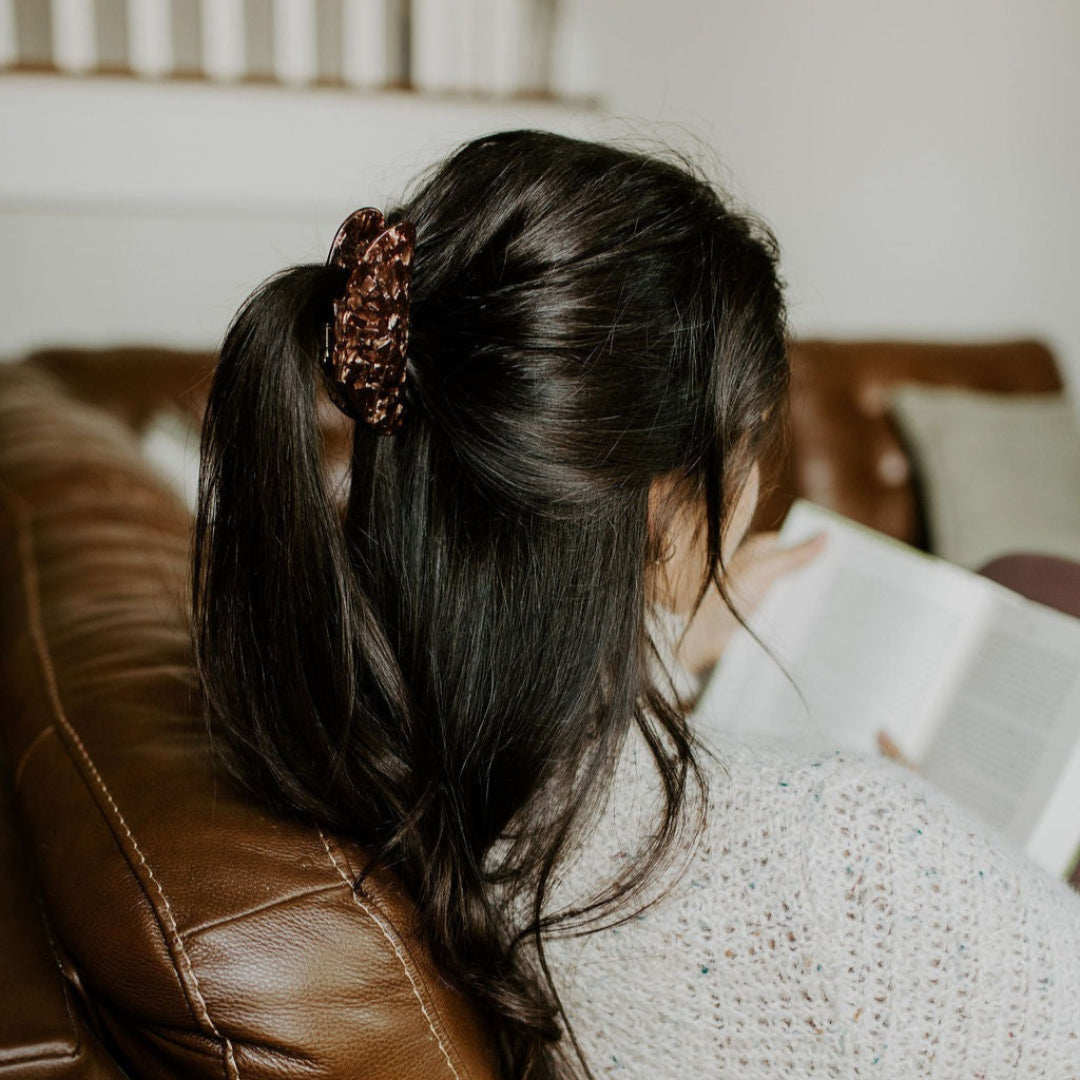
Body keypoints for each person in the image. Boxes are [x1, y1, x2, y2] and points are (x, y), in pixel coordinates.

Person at [190, 129, 1080, 1079]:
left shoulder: (386, 742)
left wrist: (656, 632)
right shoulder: (861, 851)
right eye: (751, 454)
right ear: (665, 505)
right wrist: (964, 856)